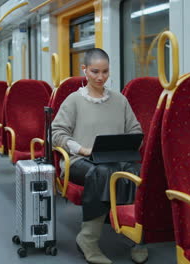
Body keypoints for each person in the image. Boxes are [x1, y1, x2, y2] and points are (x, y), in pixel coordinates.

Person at [52, 48, 147, 264]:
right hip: (79, 161)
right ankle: (88, 239)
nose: (100, 77)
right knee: (102, 172)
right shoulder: (73, 100)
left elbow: (135, 131)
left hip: (115, 159)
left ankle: (137, 238)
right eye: (95, 71)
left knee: (136, 172)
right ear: (84, 70)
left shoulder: (120, 100)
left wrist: (128, 144)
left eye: (105, 72)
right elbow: (57, 134)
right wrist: (83, 149)